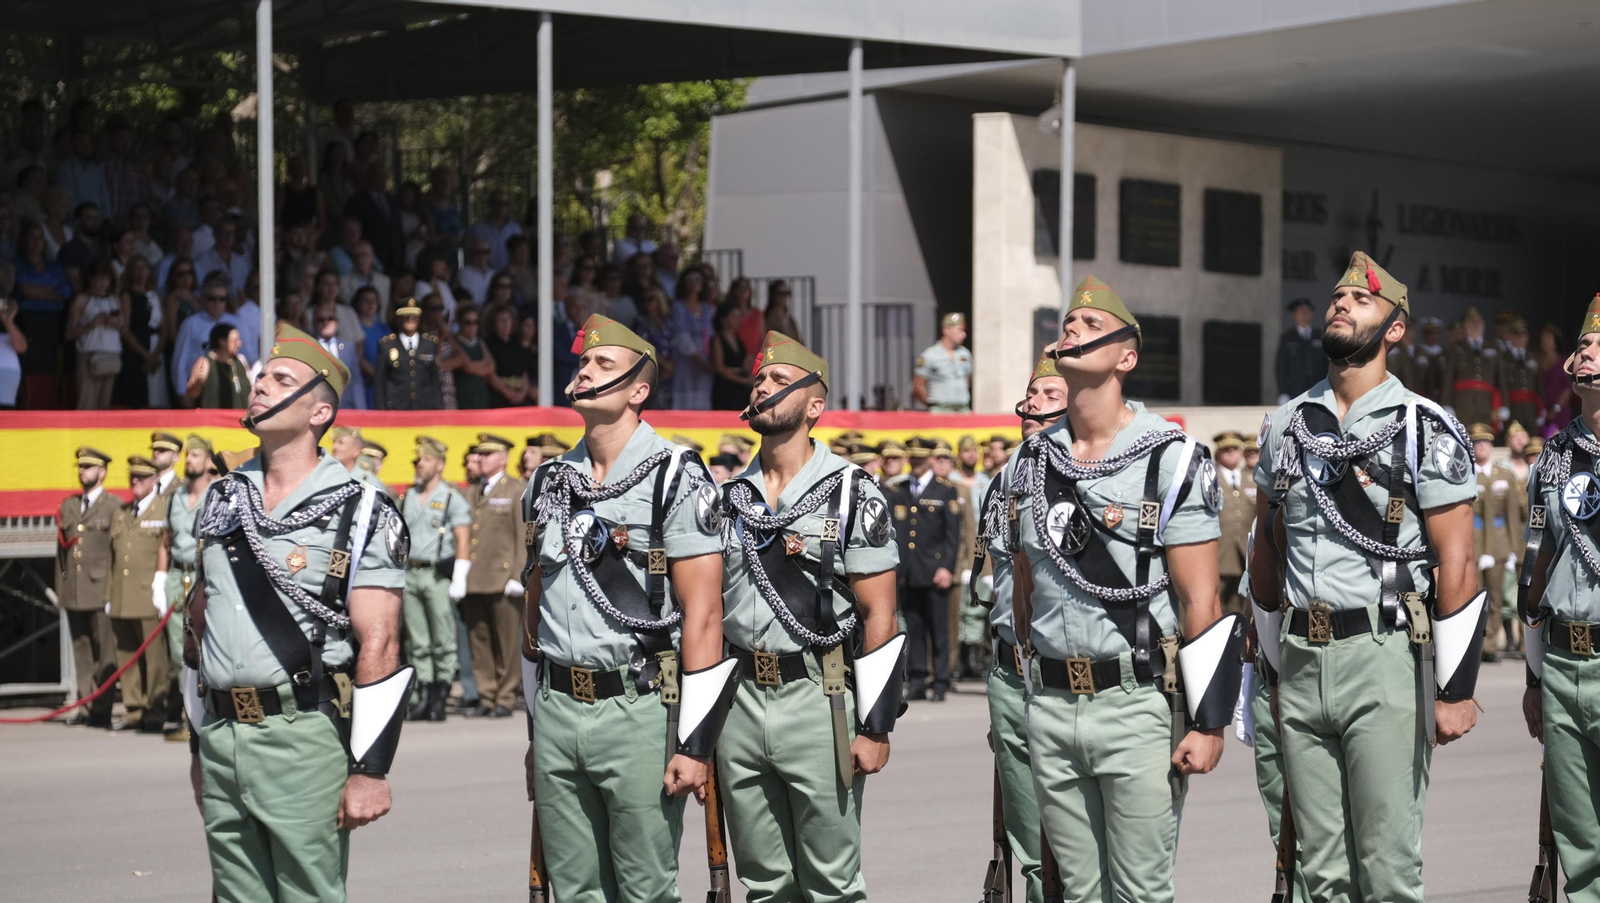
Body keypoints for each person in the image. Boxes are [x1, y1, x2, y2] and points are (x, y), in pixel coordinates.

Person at [1251, 253, 1482, 903]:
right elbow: (1266, 547)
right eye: (1337, 299)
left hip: (1382, 655)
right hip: (1300, 659)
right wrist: (1270, 666)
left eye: (1361, 301)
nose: (1342, 306)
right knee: (1320, 874)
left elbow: (1456, 560)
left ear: (1396, 328)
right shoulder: (1287, 425)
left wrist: (1456, 686)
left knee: (1385, 868)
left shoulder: (1424, 428)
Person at [1012, 275, 1238, 903]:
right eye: (1067, 325)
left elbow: (1201, 601)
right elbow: (1024, 587)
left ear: (1126, 356)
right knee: (1080, 894)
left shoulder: (1171, 458)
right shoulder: (1031, 462)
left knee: (1139, 892)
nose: (1071, 333)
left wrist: (1208, 720)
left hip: (1136, 702)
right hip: (1052, 705)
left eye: (1089, 327)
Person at [183, 322, 414, 901]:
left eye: (280, 378)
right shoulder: (223, 498)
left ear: (319, 412)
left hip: (302, 735)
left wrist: (370, 767)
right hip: (221, 736)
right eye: (260, 375)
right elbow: (197, 627)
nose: (260, 384)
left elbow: (379, 642)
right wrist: (197, 744)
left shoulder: (361, 508)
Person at [518, 313, 730, 900]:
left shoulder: (676, 477)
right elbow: (533, 619)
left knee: (645, 888)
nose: (585, 371)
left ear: (639, 390)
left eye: (603, 365)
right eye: (583, 363)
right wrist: (538, 728)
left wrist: (695, 742)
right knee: (576, 888)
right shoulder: (548, 482)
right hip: (560, 709)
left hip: (638, 710)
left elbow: (704, 614)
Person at [706, 329, 901, 902]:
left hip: (820, 697)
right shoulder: (726, 497)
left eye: (780, 381)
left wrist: (875, 725)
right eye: (759, 379)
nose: (764, 387)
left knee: (832, 882)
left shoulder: (851, 492)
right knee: (764, 883)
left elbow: (879, 612)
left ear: (815, 406)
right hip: (740, 700)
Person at [974, 349, 1069, 903]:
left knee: (1075, 847)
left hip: (1061, 673)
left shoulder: (1088, 472)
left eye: (1049, 397)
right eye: (1031, 396)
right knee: (1028, 844)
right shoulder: (1009, 474)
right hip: (1010, 672)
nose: (1033, 406)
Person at [1516, 294, 1600, 902]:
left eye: (1598, 343)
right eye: (1582, 343)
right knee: (1580, 844)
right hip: (1567, 666)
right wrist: (1535, 677)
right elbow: (1533, 579)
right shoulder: (1554, 454)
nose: (1585, 351)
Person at [453, 433, 527, 718]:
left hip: (502, 577)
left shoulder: (516, 489)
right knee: (479, 640)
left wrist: (518, 574)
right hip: (475, 577)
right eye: (479, 454)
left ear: (504, 458)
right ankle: (486, 693)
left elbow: (522, 536)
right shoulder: (471, 492)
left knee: (507, 642)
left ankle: (506, 696)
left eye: (488, 454)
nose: (481, 459)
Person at [398, 436, 471, 722]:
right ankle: (424, 695)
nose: (419, 465)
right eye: (418, 460)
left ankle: (440, 695)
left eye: (425, 460)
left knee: (442, 639)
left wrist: (460, 576)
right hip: (410, 573)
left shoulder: (451, 497)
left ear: (439, 464)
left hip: (436, 574)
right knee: (418, 641)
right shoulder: (409, 496)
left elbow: (463, 539)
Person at [884, 437, 961, 701]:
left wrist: (947, 567)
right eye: (912, 457)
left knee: (938, 628)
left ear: (930, 458)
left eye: (921, 457)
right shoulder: (901, 489)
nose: (916, 462)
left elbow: (953, 534)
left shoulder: (944, 490)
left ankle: (940, 680)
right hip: (909, 571)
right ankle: (917, 678)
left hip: (934, 569)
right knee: (914, 628)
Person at [106, 455, 171, 733]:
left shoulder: (163, 510)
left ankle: (155, 711)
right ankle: (133, 710)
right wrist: (109, 594)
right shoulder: (121, 512)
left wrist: (162, 588)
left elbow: (166, 551)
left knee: (154, 660)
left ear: (155, 480)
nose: (136, 481)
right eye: (133, 477)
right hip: (122, 595)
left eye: (142, 477)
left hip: (148, 596)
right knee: (126, 655)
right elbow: (112, 557)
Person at [56, 446, 120, 727]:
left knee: (105, 652)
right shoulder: (68, 506)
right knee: (81, 651)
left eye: (89, 467)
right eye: (81, 467)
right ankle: (86, 704)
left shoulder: (114, 506)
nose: (83, 471)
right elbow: (60, 552)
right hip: (75, 591)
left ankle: (102, 708)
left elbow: (118, 552)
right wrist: (61, 588)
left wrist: (114, 591)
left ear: (102, 472)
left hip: (100, 589)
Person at [156, 434, 213, 739]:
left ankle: (206, 713)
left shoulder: (216, 494)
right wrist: (160, 578)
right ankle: (187, 714)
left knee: (204, 646)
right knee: (180, 651)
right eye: (187, 455)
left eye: (195, 455)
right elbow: (166, 540)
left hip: (205, 577)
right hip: (179, 576)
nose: (189, 460)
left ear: (208, 461)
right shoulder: (175, 497)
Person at [1468, 422, 1518, 661]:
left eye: (1486, 443)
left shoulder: (1504, 475)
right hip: (1473, 542)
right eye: (1477, 443)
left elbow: (1512, 516)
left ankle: (1490, 646)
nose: (1482, 447)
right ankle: (1475, 645)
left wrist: (1513, 550)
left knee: (1495, 597)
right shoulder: (1466, 473)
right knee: (1473, 596)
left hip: (1498, 544)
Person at [172, 272, 243, 400]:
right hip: (198, 388)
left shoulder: (235, 322)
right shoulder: (190, 323)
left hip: (229, 386)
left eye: (222, 299)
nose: (217, 303)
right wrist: (181, 392)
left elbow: (244, 354)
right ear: (203, 298)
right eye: (212, 298)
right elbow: (180, 360)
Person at [1440, 306, 1510, 433]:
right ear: (1465, 325)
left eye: (1478, 322)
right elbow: (1448, 379)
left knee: (1487, 438)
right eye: (1471, 322)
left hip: (1487, 403)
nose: (1475, 325)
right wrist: (1447, 404)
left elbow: (1501, 379)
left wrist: (1504, 404)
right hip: (1462, 403)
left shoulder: (1494, 347)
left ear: (1483, 324)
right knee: (1462, 437)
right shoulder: (1456, 348)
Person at [65, 260, 123, 410]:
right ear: (90, 278)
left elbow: (123, 328)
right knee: (87, 404)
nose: (102, 282)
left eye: (106, 278)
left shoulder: (114, 300)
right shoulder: (82, 300)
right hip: (89, 356)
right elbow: (69, 333)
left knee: (104, 405)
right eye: (98, 278)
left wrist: (115, 322)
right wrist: (91, 324)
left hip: (111, 355)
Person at [374, 300, 444, 410]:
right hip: (396, 408)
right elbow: (379, 383)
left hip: (424, 407)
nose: (411, 319)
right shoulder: (386, 345)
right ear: (399, 318)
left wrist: (439, 409)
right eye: (406, 315)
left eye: (414, 316)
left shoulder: (429, 344)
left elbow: (435, 381)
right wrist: (381, 411)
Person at [1213, 430, 1253, 617]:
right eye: (1225, 449)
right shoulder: (1210, 478)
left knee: (1243, 605)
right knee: (1216, 602)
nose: (1230, 452)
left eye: (1234, 448)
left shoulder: (1253, 478)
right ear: (1218, 453)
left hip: (1246, 552)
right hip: (1220, 551)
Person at [344, 161, 404, 273]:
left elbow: (398, 230)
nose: (382, 178)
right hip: (372, 258)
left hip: (395, 258)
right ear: (369, 177)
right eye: (378, 175)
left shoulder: (393, 200)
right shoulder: (356, 201)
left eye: (384, 175)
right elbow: (352, 232)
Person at [910, 312, 974, 413]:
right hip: (941, 409)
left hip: (963, 409)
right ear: (946, 330)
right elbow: (918, 386)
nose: (964, 334)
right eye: (959, 330)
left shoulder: (965, 354)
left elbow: (968, 380)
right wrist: (932, 403)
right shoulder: (930, 355)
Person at [670, 268, 715, 410]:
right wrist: (699, 360)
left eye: (698, 280)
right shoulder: (678, 307)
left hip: (706, 363)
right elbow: (681, 336)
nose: (694, 283)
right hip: (686, 362)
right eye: (690, 279)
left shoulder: (708, 309)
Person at [313, 301, 368, 410]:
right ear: (314, 324)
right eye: (321, 320)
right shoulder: (309, 347)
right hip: (318, 410)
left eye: (330, 318)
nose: (326, 322)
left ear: (336, 322)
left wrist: (361, 411)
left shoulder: (348, 347)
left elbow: (355, 382)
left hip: (345, 409)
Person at [186, 323, 250, 409]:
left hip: (239, 417)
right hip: (215, 419)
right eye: (235, 340)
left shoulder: (241, 361)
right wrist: (198, 382)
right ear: (222, 341)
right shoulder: (206, 362)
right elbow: (191, 394)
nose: (239, 344)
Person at [1275, 298, 1327, 404]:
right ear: (1294, 315)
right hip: (1294, 390)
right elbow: (1280, 366)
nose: (1304, 314)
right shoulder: (1287, 337)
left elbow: (1327, 364)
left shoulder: (1320, 335)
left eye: (1307, 311)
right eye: (1300, 311)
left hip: (1317, 389)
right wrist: (1282, 392)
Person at [484, 303, 533, 407]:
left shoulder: (517, 344)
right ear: (493, 323)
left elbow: (524, 372)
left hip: (520, 398)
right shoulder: (488, 345)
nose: (505, 323)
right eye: (501, 320)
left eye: (507, 319)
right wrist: (508, 393)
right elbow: (489, 375)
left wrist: (523, 392)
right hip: (499, 397)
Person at [710, 301, 752, 411]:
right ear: (723, 319)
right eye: (733, 316)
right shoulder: (718, 339)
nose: (737, 320)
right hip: (726, 386)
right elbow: (720, 367)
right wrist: (741, 380)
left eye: (738, 316)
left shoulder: (738, 339)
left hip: (740, 386)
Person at [1505, 318, 1542, 438]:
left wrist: (1541, 406)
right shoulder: (1504, 356)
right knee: (1514, 438)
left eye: (1524, 334)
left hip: (1530, 409)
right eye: (1517, 334)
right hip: (1513, 408)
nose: (1521, 338)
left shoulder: (1533, 356)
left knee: (1532, 441)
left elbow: (1539, 384)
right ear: (1511, 336)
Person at [470, 189, 521, 273]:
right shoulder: (478, 229)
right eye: (498, 203)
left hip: (511, 276)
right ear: (491, 204)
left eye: (505, 204)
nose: (502, 207)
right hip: (484, 276)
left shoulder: (516, 229)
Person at [338, 240, 392, 310]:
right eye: (356, 255)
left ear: (372, 256)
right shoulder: (343, 282)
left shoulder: (385, 281)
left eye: (364, 255)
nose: (360, 259)